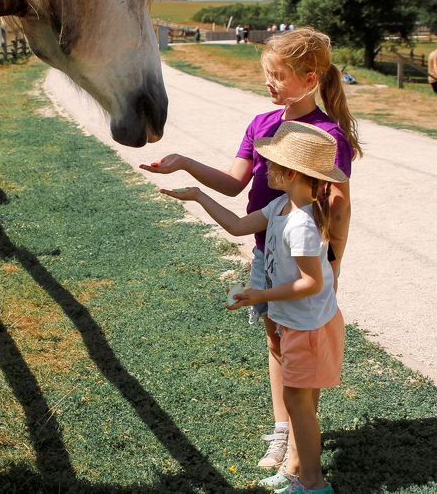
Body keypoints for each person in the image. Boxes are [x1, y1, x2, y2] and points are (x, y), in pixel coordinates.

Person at [140, 27, 360, 473]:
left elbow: (339, 206)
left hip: (304, 258)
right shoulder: (262, 125)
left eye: (278, 75)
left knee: (301, 345)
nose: (269, 83)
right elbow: (234, 182)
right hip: (266, 252)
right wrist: (185, 162)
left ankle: (300, 451)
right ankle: (285, 428)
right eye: (268, 75)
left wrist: (333, 261)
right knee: (277, 341)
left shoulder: (325, 134)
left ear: (310, 76)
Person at [160, 120, 347, 494]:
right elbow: (235, 225)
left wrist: (260, 295)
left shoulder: (301, 226)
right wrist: (198, 195)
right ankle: (300, 472)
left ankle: (313, 483)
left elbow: (312, 282)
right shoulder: (279, 206)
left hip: (308, 327)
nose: (264, 168)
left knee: (299, 405)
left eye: (270, 163)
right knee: (299, 405)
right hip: (296, 323)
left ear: (291, 172)